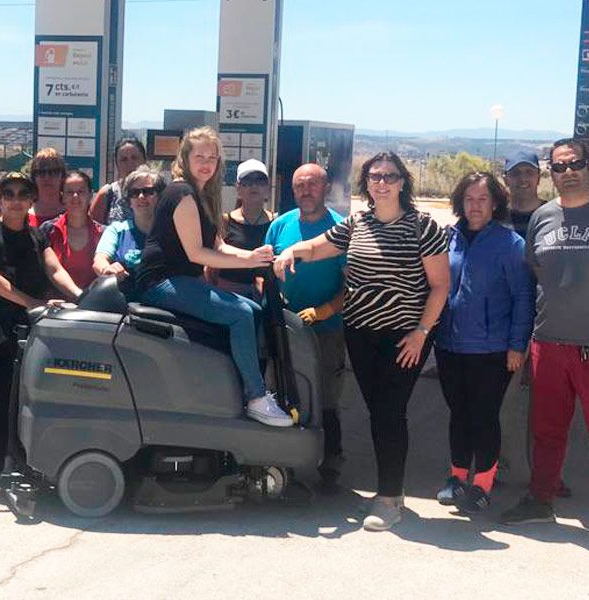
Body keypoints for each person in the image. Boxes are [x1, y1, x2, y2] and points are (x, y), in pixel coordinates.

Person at [274, 151, 450, 530]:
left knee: (390, 411)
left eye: (389, 176)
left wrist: (421, 333)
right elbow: (319, 246)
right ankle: (392, 490)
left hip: (405, 338)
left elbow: (439, 288)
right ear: (366, 183)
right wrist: (292, 251)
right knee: (379, 411)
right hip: (360, 333)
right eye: (374, 176)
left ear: (403, 181)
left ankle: (389, 498)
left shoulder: (423, 227)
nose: (381, 182)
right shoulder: (358, 223)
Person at [136, 126, 292, 428]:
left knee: (254, 310)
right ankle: (256, 397)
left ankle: (243, 386)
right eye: (199, 156)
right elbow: (196, 253)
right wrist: (248, 260)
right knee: (238, 314)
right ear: (186, 158)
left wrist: (256, 256)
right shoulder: (182, 193)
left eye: (212, 156)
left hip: (182, 281)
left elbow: (217, 244)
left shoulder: (203, 195)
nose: (206, 162)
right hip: (160, 283)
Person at [500, 139, 589, 534]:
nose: (569, 171)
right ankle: (540, 500)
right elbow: (536, 275)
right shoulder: (543, 218)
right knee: (546, 430)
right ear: (552, 173)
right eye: (560, 166)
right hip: (549, 342)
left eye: (576, 163)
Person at [0, 172, 81, 493]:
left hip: (25, 330)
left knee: (18, 400)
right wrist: (32, 302)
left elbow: (54, 269)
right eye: (9, 193)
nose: (16, 200)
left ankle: (8, 463)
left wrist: (81, 296)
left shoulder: (37, 237)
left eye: (22, 194)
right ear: (0, 199)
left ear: (31, 200)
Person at [433, 172, 534, 513]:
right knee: (458, 413)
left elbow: (523, 298)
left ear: (495, 204)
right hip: (449, 344)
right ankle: (457, 477)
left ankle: (483, 484)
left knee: (484, 415)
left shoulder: (511, 245)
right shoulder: (448, 239)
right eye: (469, 200)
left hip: (492, 349)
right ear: (461, 203)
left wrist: (517, 345)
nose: (475, 206)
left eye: (482, 200)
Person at [265, 163, 347, 492]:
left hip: (327, 329)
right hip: (285, 327)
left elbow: (352, 285)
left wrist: (325, 310)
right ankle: (285, 463)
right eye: (300, 186)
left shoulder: (340, 229)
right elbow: (264, 271)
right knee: (284, 393)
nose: (306, 191)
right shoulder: (280, 225)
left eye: (312, 185)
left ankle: (331, 466)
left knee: (325, 398)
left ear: (326, 188)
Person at [93, 164, 164, 298]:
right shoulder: (116, 230)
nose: (141, 197)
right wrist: (107, 269)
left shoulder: (171, 231)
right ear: (129, 201)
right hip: (124, 307)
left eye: (148, 191)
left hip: (164, 308)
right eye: (134, 193)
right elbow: (99, 260)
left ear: (160, 196)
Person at [213, 159, 274, 301]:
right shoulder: (224, 221)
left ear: (267, 188)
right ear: (238, 188)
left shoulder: (277, 223)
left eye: (260, 181)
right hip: (230, 297)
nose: (254, 186)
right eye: (247, 181)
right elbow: (211, 267)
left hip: (266, 299)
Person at [41, 170, 105, 290]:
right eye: (70, 192)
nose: (75, 196)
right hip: (57, 305)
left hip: (93, 305)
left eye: (81, 191)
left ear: (90, 195)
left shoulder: (103, 233)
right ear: (62, 196)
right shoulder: (48, 231)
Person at [89, 137, 147, 224]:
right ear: (117, 164)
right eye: (124, 159)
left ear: (144, 160)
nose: (130, 164)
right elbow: (92, 229)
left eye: (134, 158)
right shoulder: (107, 194)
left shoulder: (156, 192)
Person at [28, 147, 67, 227]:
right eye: (41, 172)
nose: (47, 177)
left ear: (63, 176)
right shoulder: (21, 214)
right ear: (33, 177)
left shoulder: (74, 212)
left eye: (54, 172)